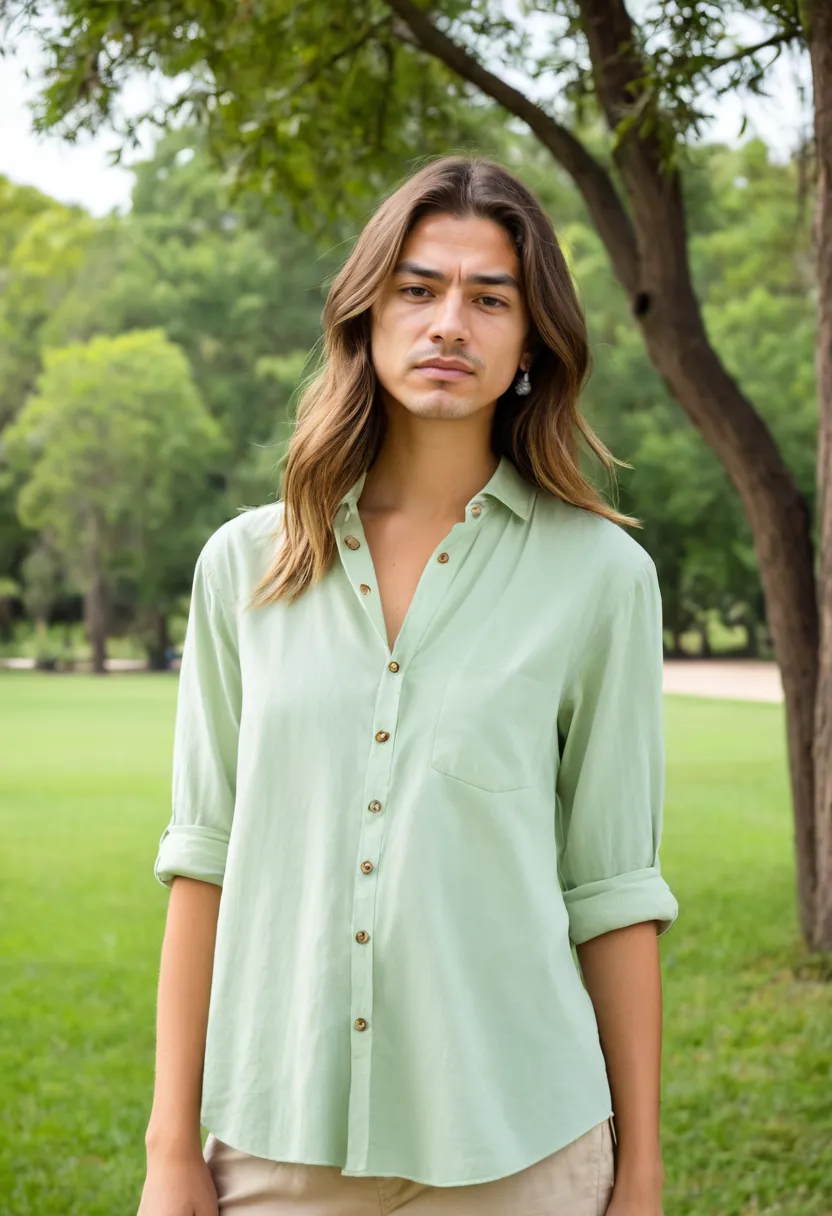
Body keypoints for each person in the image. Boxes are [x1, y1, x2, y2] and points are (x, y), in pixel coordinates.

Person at [139, 155, 679, 1216]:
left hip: (522, 1145)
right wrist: (169, 1149)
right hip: (276, 1148)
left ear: (531, 343)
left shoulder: (602, 578)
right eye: (418, 289)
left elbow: (613, 893)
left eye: (490, 299)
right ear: (365, 315)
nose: (448, 324)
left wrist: (642, 1175)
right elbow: (203, 860)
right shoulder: (243, 567)